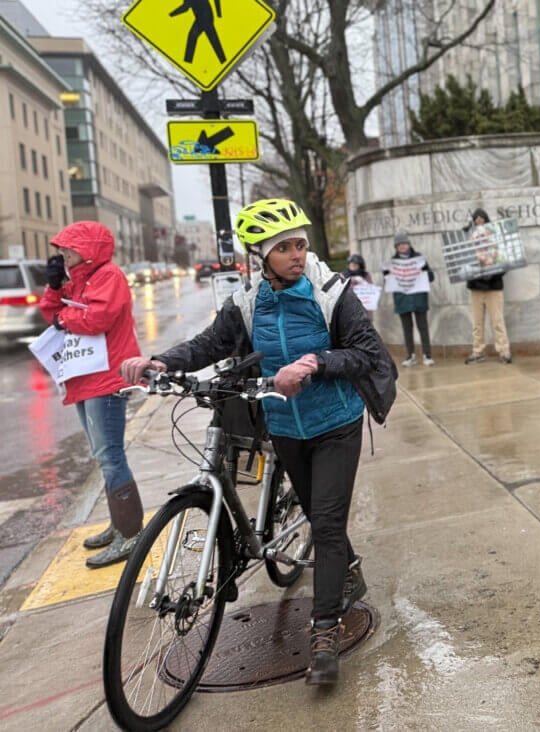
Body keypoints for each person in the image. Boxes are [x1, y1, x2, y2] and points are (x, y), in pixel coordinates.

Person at [120, 198, 397, 687]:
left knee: (328, 524)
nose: (295, 254)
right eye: (284, 247)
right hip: (285, 429)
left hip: (335, 423)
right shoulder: (249, 301)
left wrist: (312, 364)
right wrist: (161, 362)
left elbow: (365, 352)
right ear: (260, 255)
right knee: (315, 513)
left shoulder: (331, 291)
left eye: (300, 244)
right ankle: (348, 572)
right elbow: (210, 344)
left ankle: (324, 634)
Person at [38, 222, 145, 569]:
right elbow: (52, 314)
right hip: (85, 378)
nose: (64, 255)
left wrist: (64, 318)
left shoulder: (108, 276)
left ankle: (130, 534)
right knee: (103, 455)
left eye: (69, 249)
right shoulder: (79, 280)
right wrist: (54, 288)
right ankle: (119, 525)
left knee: (110, 455)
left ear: (87, 249)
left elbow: (96, 318)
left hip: (108, 379)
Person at [463, 209, 512, 365]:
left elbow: (505, 260)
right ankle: (478, 351)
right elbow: (463, 259)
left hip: (493, 286)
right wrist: (467, 229)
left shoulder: (496, 238)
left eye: (481, 218)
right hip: (476, 287)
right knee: (477, 323)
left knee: (497, 321)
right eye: (476, 219)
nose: (479, 221)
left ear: (486, 219)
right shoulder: (470, 239)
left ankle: (504, 351)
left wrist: (494, 273)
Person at [385, 232, 434, 367]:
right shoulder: (392, 263)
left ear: (409, 244)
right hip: (403, 300)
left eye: (404, 243)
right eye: (400, 244)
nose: (402, 246)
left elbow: (431, 277)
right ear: (396, 247)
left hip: (419, 299)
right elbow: (389, 282)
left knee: (423, 327)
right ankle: (410, 355)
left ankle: (427, 355)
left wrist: (424, 272)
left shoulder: (419, 259)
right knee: (407, 329)